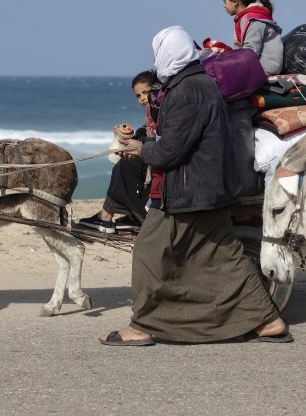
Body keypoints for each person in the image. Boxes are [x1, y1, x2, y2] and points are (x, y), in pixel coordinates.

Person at [98, 26, 291, 346]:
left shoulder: (186, 90)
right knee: (224, 255)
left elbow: (172, 150)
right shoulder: (198, 83)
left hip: (189, 191)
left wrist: (141, 149)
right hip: (209, 187)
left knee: (148, 250)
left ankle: (142, 325)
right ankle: (267, 320)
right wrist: (143, 143)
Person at [220, 0, 283, 194]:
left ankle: (244, 186)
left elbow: (249, 55)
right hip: (259, 71)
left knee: (234, 111)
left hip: (263, 74)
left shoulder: (254, 20)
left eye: (224, 1)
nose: (224, 7)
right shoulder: (252, 17)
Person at [76, 71, 160, 234]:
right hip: (152, 151)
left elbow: (159, 137)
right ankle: (129, 215)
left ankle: (105, 218)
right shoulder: (152, 111)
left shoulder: (159, 108)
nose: (142, 98)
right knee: (124, 164)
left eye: (145, 92)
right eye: (138, 96)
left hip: (157, 154)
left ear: (155, 89)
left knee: (123, 166)